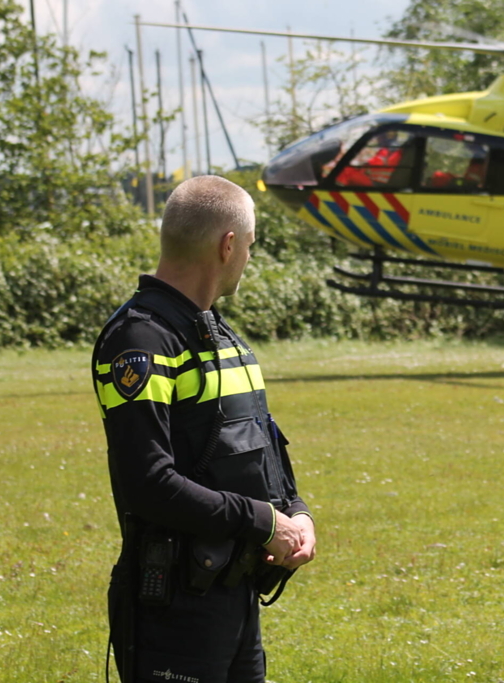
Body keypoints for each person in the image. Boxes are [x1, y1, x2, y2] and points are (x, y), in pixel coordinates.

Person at [91, 175, 316, 683]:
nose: (248, 259)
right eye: (251, 247)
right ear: (228, 245)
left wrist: (295, 513)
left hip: (234, 594)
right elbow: (147, 483)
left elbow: (260, 441)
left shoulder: (218, 334)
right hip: (174, 605)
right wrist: (263, 521)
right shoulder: (141, 339)